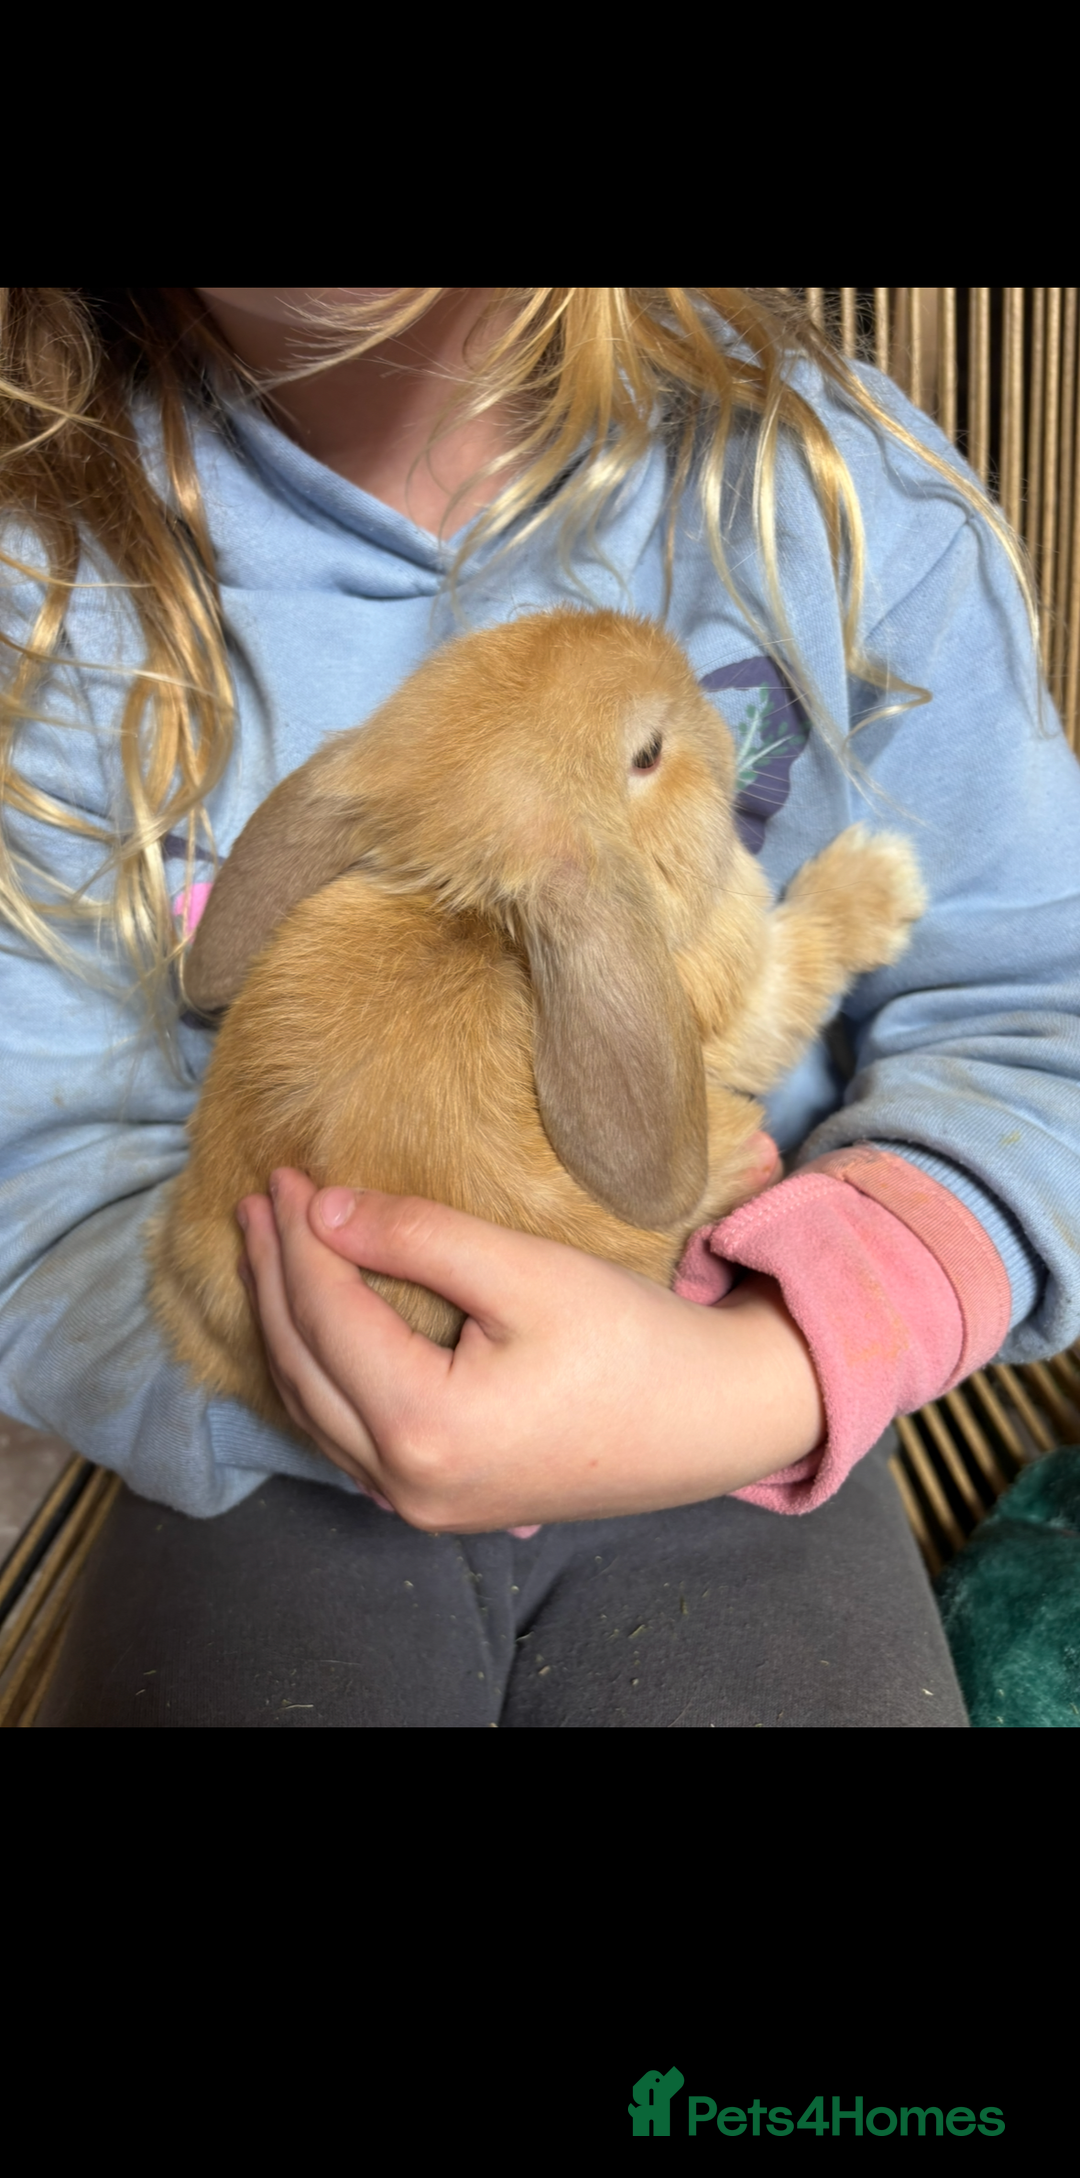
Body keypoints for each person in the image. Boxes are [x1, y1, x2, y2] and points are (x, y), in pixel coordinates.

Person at [2, 287, 1078, 1729]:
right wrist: (313, 1366)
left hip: (739, 1382)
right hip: (263, 1426)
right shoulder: (45, 592)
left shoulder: (844, 498)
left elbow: (1040, 1022)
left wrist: (754, 1375)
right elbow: (38, 1169)